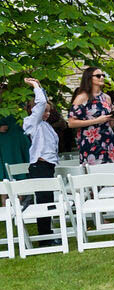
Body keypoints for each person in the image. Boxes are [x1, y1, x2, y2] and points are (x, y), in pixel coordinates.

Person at [22, 78, 59, 243]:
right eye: (44, 110)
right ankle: (45, 238)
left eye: (49, 111)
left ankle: (47, 235)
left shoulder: (45, 125)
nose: (47, 113)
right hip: (40, 166)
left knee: (48, 201)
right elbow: (41, 102)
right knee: (43, 202)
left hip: (47, 167)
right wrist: (36, 86)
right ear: (34, 110)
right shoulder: (32, 122)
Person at [68, 67, 114, 165]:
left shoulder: (106, 98)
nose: (102, 77)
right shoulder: (82, 97)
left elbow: (110, 124)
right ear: (89, 78)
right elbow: (71, 123)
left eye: (103, 75)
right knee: (95, 174)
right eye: (98, 76)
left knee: (113, 172)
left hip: (108, 139)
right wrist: (96, 121)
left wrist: (112, 118)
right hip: (91, 141)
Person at [0, 84, 30, 180]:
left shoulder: (17, 103)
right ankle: (5, 192)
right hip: (4, 141)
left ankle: (22, 192)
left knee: (21, 161)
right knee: (6, 164)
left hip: (18, 137)